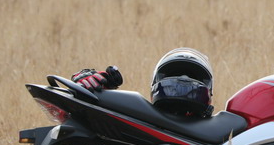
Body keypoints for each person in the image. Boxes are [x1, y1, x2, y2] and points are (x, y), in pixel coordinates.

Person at [72, 48, 214, 117]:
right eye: (176, 75)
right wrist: (96, 90)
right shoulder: (138, 119)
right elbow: (74, 118)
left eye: (191, 77)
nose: (183, 80)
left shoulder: (216, 134)